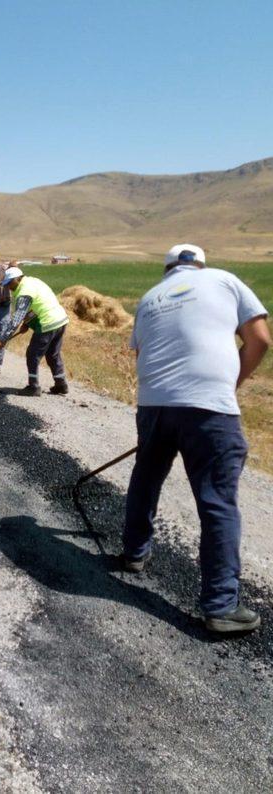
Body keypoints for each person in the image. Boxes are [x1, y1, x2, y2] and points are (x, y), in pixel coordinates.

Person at [123, 243, 270, 634]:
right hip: (208, 408)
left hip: (153, 403)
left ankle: (134, 552)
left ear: (168, 268)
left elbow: (140, 355)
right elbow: (260, 339)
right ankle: (220, 606)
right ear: (200, 264)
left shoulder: (150, 297)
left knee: (147, 475)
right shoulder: (224, 280)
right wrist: (229, 384)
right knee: (217, 501)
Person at [0, 266, 70, 396]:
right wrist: (27, 323)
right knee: (53, 354)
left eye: (9, 283)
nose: (8, 287)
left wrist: (3, 338)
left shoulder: (24, 292)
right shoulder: (32, 281)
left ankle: (33, 387)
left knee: (32, 354)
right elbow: (37, 304)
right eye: (6, 284)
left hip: (47, 323)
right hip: (60, 320)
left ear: (17, 279)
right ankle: (61, 384)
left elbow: (16, 319)